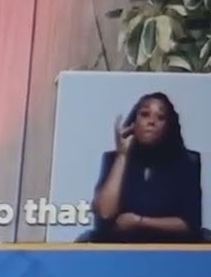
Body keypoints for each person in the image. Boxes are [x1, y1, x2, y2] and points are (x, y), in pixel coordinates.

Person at [85, 92, 204, 244]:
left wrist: (139, 221)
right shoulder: (113, 159)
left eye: (160, 117)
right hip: (119, 248)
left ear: (169, 126)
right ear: (133, 123)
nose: (151, 121)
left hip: (168, 249)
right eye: (145, 114)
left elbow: (190, 225)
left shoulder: (186, 163)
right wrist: (122, 156)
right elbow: (105, 214)